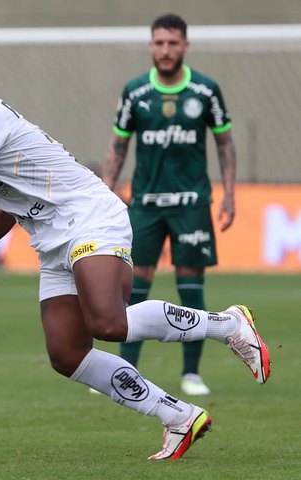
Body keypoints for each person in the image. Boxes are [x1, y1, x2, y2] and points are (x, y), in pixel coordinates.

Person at [0, 48, 268, 460]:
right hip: (55, 240)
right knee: (67, 353)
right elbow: (5, 202)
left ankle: (227, 324)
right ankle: (178, 416)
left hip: (90, 218)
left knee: (108, 323)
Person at [102, 14, 237, 396]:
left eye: (172, 43)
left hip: (192, 202)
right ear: (151, 45)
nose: (165, 50)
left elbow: (224, 143)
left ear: (185, 46)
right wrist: (107, 190)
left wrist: (228, 194)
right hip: (145, 203)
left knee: (190, 288)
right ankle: (125, 370)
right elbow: (119, 145)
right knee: (134, 287)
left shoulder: (206, 91)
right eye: (159, 43)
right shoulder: (135, 92)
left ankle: (191, 374)